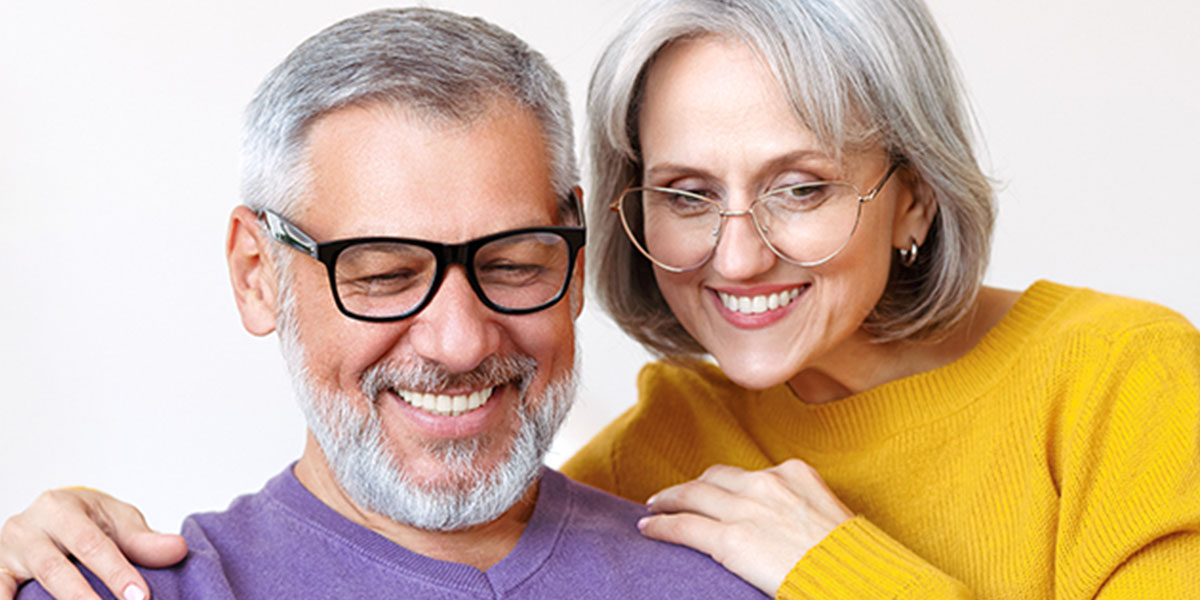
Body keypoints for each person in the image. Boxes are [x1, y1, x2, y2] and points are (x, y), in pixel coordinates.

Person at [4, 0, 1199, 598]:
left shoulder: (1122, 375)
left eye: (801, 185)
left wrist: (844, 574)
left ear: (915, 197)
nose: (736, 258)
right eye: (685, 191)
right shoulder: (663, 466)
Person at [1, 7, 769, 600]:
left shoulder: (734, 576)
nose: (460, 343)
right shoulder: (107, 589)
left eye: (511, 263)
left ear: (572, 258)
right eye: (383, 275)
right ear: (255, 273)